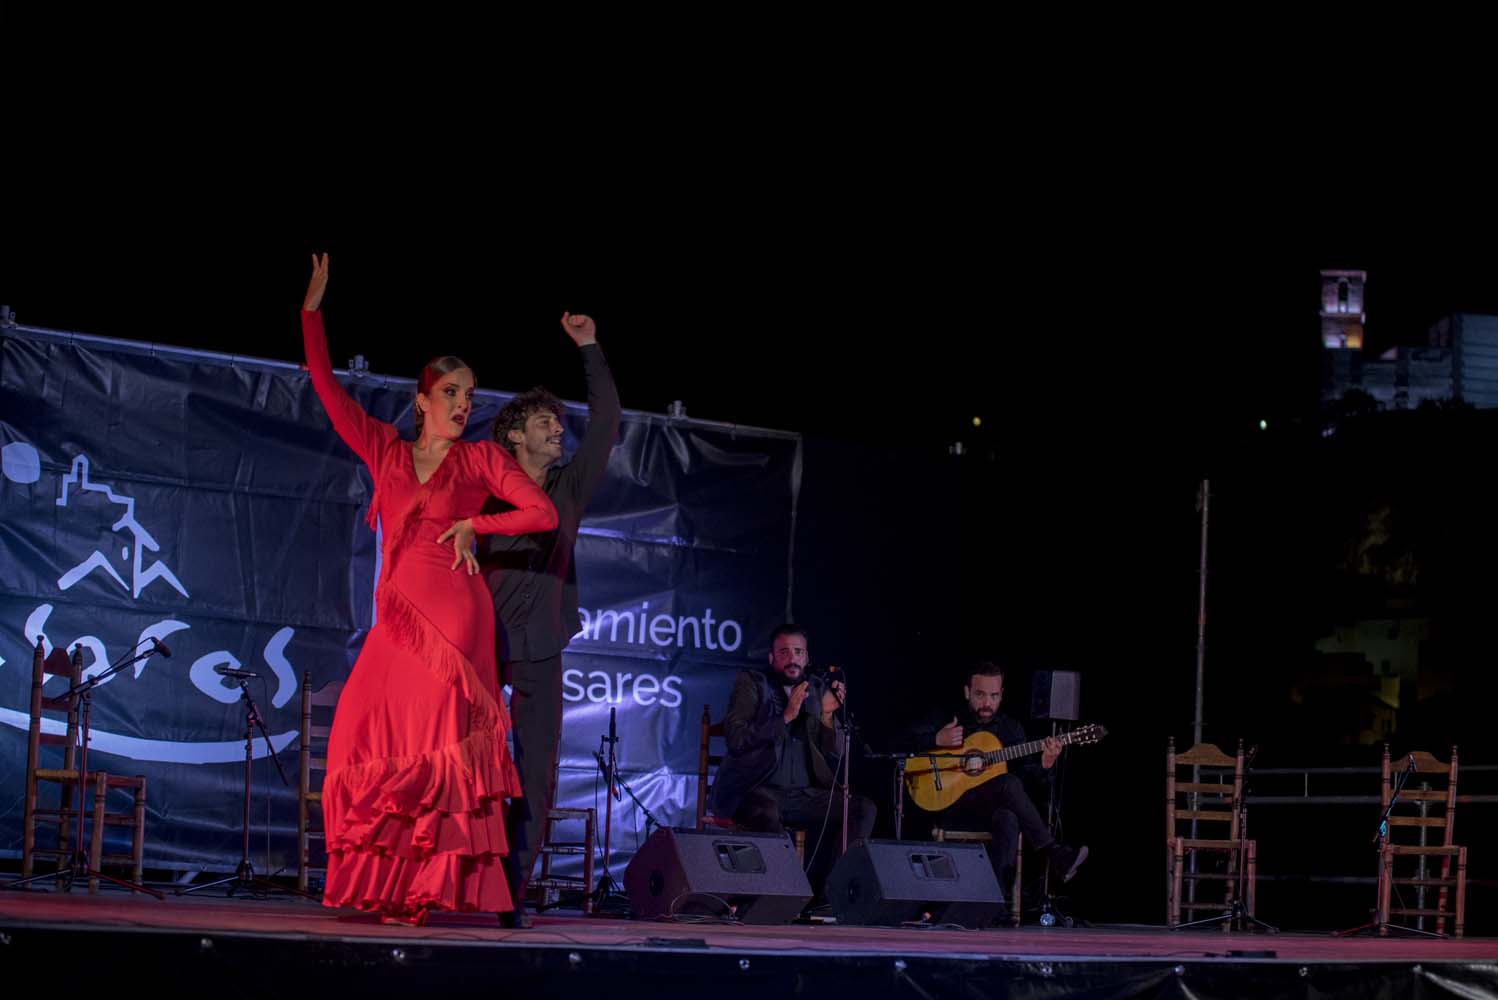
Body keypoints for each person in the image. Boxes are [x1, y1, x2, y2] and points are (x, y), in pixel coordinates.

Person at [300, 253, 558, 925]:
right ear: (422, 399)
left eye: (470, 396)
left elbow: (542, 513)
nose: (463, 404)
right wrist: (312, 312)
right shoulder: (385, 449)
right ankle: (390, 884)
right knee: (367, 731)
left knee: (435, 743)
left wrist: (474, 521)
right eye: (452, 393)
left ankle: (421, 893)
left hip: (454, 614)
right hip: (398, 616)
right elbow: (327, 388)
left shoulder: (480, 459)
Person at [477, 311, 621, 915]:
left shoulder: (568, 488)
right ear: (515, 436)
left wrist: (589, 348)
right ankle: (456, 883)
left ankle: (510, 894)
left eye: (560, 423)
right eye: (545, 423)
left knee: (535, 775)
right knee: (469, 769)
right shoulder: (480, 486)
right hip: (478, 646)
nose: (558, 431)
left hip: (540, 648)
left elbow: (607, 422)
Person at [709, 624, 876, 897]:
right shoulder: (753, 683)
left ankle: (829, 894)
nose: (792, 658)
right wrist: (785, 716)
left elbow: (835, 753)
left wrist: (826, 717)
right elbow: (737, 739)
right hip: (755, 792)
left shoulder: (817, 689)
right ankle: (785, 895)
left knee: (862, 809)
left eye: (798, 652)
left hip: (802, 796)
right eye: (784, 652)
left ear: (807, 658)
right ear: (772, 658)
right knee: (767, 813)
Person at [906, 661, 1087, 908]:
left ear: (1001, 695)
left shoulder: (1011, 729)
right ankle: (1054, 852)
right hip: (950, 808)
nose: (987, 703)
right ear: (967, 691)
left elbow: (1028, 787)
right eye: (980, 695)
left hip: (988, 814)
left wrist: (1045, 765)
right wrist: (936, 738)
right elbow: (901, 743)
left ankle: (993, 902)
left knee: (1008, 816)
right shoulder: (947, 717)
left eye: (994, 696)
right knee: (1007, 783)